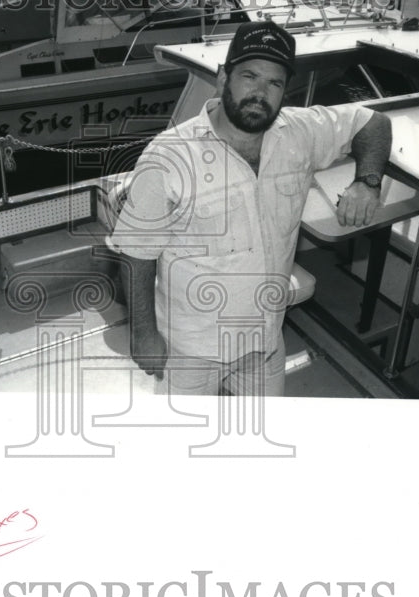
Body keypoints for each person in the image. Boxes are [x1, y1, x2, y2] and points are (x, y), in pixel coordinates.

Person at [111, 20, 392, 396]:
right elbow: (135, 252)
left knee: (259, 439)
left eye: (274, 83)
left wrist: (367, 181)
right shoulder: (168, 156)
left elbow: (374, 122)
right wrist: (143, 334)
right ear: (224, 78)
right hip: (192, 349)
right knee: (179, 445)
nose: (260, 93)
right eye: (249, 76)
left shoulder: (300, 132)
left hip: (265, 338)